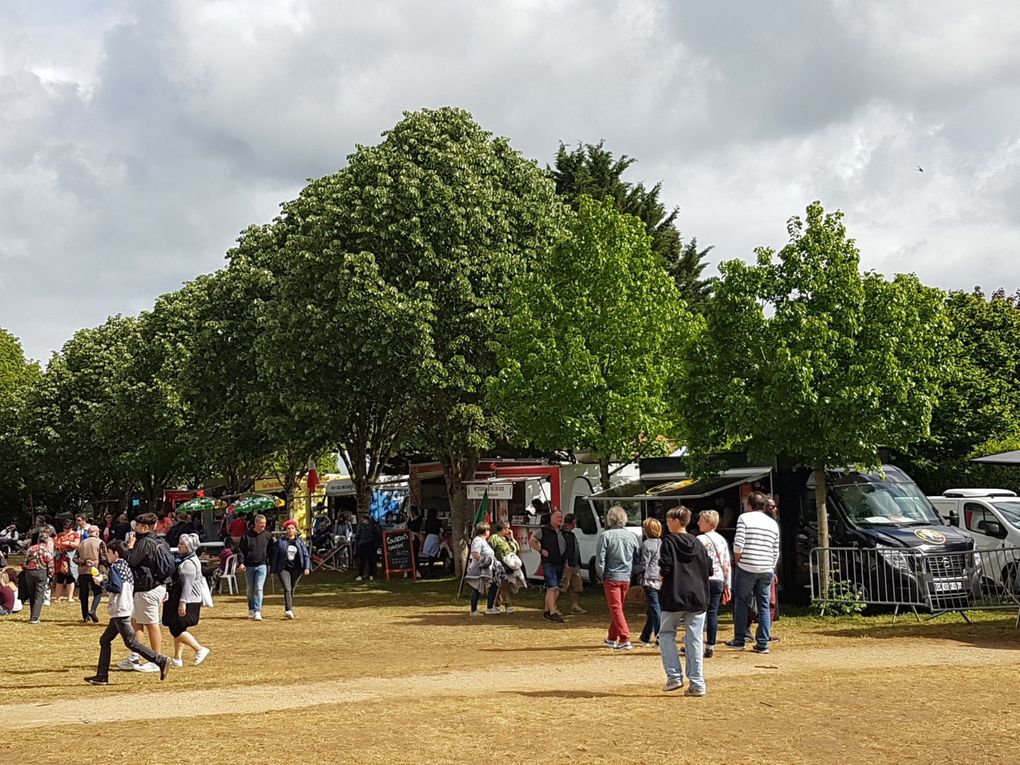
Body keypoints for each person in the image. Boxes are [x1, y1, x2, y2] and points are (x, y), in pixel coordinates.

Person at [84, 540, 170, 685]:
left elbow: (116, 587)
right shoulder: (125, 566)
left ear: (116, 553)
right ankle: (102, 676)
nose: (106, 556)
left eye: (109, 553)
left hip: (120, 610)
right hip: (124, 608)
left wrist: (101, 583)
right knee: (105, 640)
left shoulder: (115, 568)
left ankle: (160, 660)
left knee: (131, 643)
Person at [658, 506, 712, 696]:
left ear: (675, 520)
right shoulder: (697, 542)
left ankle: (674, 676)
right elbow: (710, 568)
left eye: (668, 519)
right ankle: (697, 683)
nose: (666, 522)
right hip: (698, 595)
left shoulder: (668, 542)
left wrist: (660, 579)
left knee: (665, 633)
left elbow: (665, 567)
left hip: (674, 594)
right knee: (695, 639)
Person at [726, 491, 780, 654]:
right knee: (764, 605)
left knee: (742, 603)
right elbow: (775, 550)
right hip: (766, 568)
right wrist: (771, 565)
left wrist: (738, 560)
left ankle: (739, 639)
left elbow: (738, 544)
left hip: (747, 567)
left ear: (749, 504)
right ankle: (763, 643)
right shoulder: (772, 523)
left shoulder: (744, 518)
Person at [120, 513, 172, 673]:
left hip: (147, 588)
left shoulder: (144, 543)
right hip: (154, 586)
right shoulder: (159, 541)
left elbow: (131, 560)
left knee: (151, 623)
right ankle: (135, 655)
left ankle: (156, 658)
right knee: (137, 622)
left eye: (137, 525)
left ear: (145, 527)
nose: (134, 527)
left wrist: (129, 547)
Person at [595, 505, 641, 650]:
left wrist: (600, 574)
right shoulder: (632, 536)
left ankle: (625, 638)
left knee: (615, 608)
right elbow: (637, 557)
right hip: (626, 577)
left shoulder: (606, 536)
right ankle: (611, 637)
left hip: (611, 576)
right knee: (618, 607)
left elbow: (600, 559)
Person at [163, 534, 210, 668]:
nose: (178, 546)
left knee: (176, 630)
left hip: (189, 600)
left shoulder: (188, 564)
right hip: (185, 598)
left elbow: (188, 586)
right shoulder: (186, 559)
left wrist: (182, 603)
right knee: (178, 627)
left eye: (181, 544)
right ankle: (177, 658)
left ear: (188, 547)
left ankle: (199, 649)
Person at [697, 510, 731, 658]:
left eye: (701, 520)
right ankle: (711, 645)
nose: (698, 523)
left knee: (698, 613)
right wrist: (727, 584)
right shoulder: (722, 540)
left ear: (708, 523)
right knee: (713, 613)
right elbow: (726, 563)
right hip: (718, 579)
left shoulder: (699, 539)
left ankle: (696, 644)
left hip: (702, 579)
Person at [529, 509, 567, 623]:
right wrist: (540, 550)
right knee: (552, 587)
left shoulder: (562, 531)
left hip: (560, 562)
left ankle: (547, 611)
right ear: (552, 518)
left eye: (561, 517)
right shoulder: (544, 530)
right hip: (548, 563)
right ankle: (553, 612)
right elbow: (532, 541)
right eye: (558, 517)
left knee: (555, 588)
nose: (560, 519)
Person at [270, 519, 311, 619]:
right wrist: (272, 571)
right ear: (285, 530)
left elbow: (306, 555)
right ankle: (288, 610)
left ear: (296, 530)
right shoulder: (281, 542)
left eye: (292, 528)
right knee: (287, 588)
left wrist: (307, 567)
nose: (290, 530)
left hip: (297, 569)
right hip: (283, 568)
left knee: (292, 588)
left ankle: (289, 605)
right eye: (288, 528)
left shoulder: (300, 542)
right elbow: (275, 556)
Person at [238, 513, 272, 620]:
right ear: (256, 523)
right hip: (249, 566)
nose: (263, 526)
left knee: (259, 588)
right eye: (261, 523)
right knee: (250, 589)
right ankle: (251, 609)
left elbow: (271, 550)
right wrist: (241, 563)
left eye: (264, 524)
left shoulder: (267, 535)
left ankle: (258, 611)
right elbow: (241, 551)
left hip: (262, 565)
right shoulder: (247, 535)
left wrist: (271, 564)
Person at [637, 517, 663, 648]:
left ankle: (659, 635)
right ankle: (645, 636)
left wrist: (633, 569)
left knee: (655, 608)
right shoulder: (661, 543)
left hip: (649, 579)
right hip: (660, 578)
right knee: (652, 609)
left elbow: (643, 564)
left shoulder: (646, 544)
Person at [75, 525, 107, 624]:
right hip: (95, 571)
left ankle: (85, 616)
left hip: (82, 572)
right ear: (97, 533)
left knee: (83, 594)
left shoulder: (82, 543)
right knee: (97, 592)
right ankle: (93, 610)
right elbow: (104, 558)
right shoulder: (100, 542)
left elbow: (75, 558)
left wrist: (84, 562)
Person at [464, 522, 496, 616]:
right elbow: (475, 553)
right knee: (477, 588)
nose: (489, 532)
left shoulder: (484, 540)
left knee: (492, 586)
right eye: (488, 530)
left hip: (487, 569)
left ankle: (490, 607)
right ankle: (473, 610)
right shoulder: (477, 540)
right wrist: (484, 560)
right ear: (485, 531)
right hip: (479, 569)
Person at [22, 532, 53, 624]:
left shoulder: (31, 548)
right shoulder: (47, 550)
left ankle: (32, 614)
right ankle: (35, 618)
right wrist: (51, 576)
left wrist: (26, 569)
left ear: (39, 539)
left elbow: (24, 561)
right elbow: (50, 565)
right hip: (41, 572)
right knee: (39, 595)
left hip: (29, 572)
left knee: (31, 594)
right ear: (47, 540)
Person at [561, 513, 587, 615]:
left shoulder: (572, 535)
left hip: (575, 564)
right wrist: (564, 562)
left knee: (577, 587)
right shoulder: (561, 534)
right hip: (566, 564)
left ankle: (575, 606)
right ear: (569, 524)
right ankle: (553, 607)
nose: (575, 526)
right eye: (574, 524)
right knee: (562, 587)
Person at [52, 519, 80, 603]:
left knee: (70, 578)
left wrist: (68, 543)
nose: (66, 530)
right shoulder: (60, 535)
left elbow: (77, 545)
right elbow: (55, 545)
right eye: (65, 528)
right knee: (59, 578)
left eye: (68, 528)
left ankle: (70, 597)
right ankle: (57, 598)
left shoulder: (75, 534)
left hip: (70, 558)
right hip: (60, 558)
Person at [354, 516, 382, 582]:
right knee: (370, 561)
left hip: (362, 544)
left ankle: (360, 575)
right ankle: (371, 575)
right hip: (370, 544)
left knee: (362, 561)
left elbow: (357, 536)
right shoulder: (372, 526)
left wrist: (356, 545)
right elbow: (376, 535)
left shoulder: (360, 526)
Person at [420, 509, 442, 577]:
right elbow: (441, 530)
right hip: (435, 537)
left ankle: (429, 568)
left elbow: (425, 530)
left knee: (430, 553)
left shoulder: (427, 521)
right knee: (434, 553)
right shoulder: (438, 521)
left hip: (429, 537)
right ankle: (430, 568)